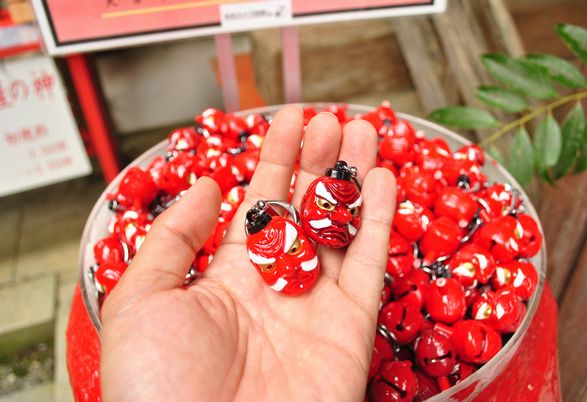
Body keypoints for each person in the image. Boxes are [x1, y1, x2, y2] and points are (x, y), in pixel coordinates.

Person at [100, 106, 396, 402]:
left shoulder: (315, 216)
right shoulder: (273, 236)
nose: (343, 218)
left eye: (293, 249)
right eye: (274, 261)